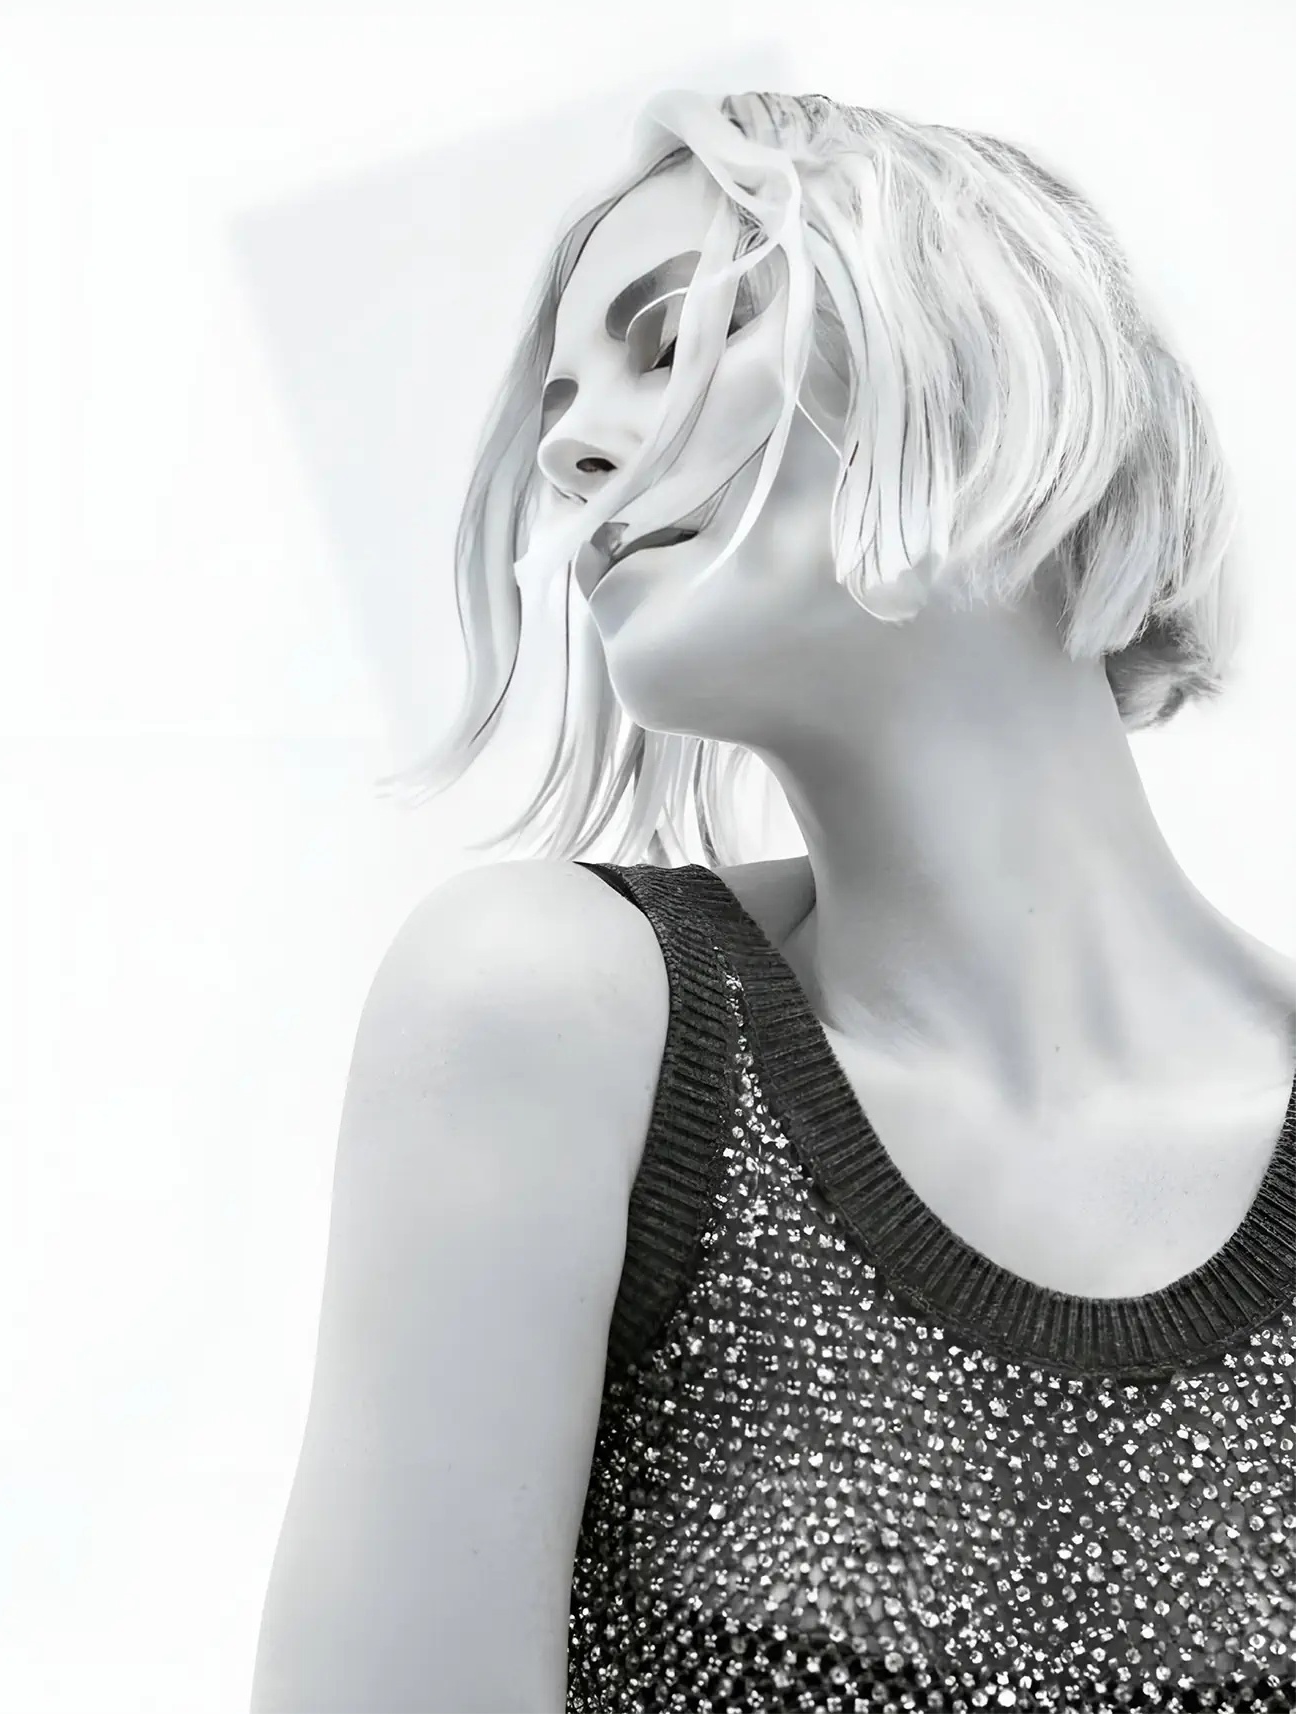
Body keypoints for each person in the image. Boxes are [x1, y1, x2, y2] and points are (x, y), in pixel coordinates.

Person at [250, 89, 1296, 1713]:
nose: (570, 450)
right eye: (563, 402)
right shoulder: (554, 1016)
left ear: (988, 355)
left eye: (669, 341)